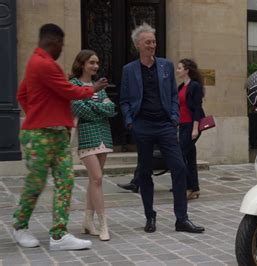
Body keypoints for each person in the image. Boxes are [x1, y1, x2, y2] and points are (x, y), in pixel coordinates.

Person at [13, 23, 108, 250]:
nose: (62, 49)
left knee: (65, 180)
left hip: (54, 132)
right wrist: (93, 90)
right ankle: (20, 226)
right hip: (41, 135)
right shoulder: (44, 64)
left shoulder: (35, 64)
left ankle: (58, 235)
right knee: (36, 183)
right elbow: (69, 91)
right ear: (53, 42)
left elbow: (21, 94)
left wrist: (36, 114)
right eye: (61, 44)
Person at [120, 23, 204, 234]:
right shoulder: (129, 70)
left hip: (165, 125)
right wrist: (131, 123)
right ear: (138, 45)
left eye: (154, 41)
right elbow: (124, 100)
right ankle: (150, 216)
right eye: (148, 42)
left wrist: (174, 118)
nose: (152, 45)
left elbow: (174, 96)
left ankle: (181, 219)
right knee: (145, 172)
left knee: (179, 167)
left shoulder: (166, 66)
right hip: (143, 127)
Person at [70, 50, 116, 241]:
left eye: (97, 63)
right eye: (91, 63)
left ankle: (87, 222)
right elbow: (78, 108)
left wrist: (94, 106)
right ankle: (103, 223)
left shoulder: (100, 86)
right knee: (97, 178)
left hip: (104, 136)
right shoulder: (74, 84)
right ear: (81, 64)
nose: (95, 66)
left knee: (93, 180)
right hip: (87, 137)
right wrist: (99, 109)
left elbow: (111, 108)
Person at [176, 59, 205, 200]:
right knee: (189, 157)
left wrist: (195, 129)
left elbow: (197, 108)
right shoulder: (181, 87)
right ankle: (195, 188)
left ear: (187, 70)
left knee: (180, 155)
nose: (177, 70)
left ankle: (188, 186)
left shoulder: (195, 86)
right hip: (182, 125)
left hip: (192, 125)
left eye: (180, 68)